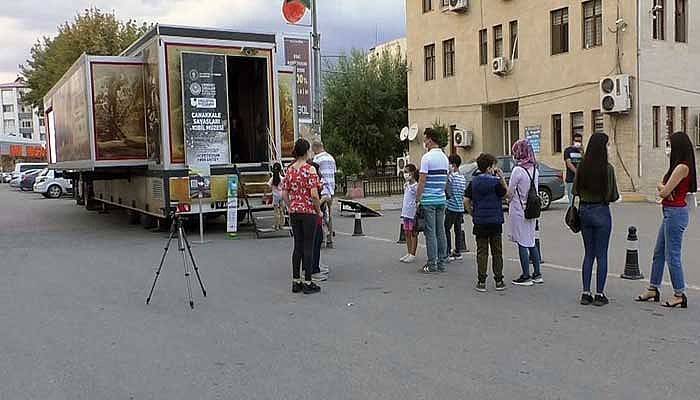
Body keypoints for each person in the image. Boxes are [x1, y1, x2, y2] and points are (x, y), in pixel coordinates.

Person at [636, 132, 697, 309]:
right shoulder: (676, 166)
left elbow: (663, 191)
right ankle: (653, 288)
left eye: (670, 145)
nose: (668, 149)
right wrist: (663, 187)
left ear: (677, 147)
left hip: (676, 213)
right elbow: (662, 186)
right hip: (670, 212)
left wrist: (663, 188)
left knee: (672, 256)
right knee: (659, 252)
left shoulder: (682, 168)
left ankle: (679, 293)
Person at [572, 132, 619, 306]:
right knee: (602, 255)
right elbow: (612, 195)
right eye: (607, 145)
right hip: (601, 211)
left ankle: (585, 292)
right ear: (603, 148)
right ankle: (599, 294)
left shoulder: (582, 167)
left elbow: (574, 191)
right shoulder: (608, 169)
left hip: (584, 211)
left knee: (588, 254)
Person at [281, 139, 323, 294]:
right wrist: (318, 210)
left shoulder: (290, 169)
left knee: (297, 246)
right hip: (308, 213)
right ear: (306, 152)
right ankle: (308, 282)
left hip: (295, 212)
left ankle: (295, 281)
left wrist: (290, 206)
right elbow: (314, 194)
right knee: (308, 246)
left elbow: (284, 192)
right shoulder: (310, 169)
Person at [465, 153, 508, 292]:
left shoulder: (474, 182)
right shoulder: (495, 182)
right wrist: (502, 178)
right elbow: (506, 194)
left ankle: (481, 281)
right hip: (495, 221)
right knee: (497, 252)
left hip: (480, 221)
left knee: (482, 252)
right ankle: (499, 280)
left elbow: (466, 200)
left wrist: (472, 213)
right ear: (489, 167)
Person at [508, 139, 542, 286]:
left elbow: (509, 192)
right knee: (531, 240)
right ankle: (537, 273)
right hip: (532, 209)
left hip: (519, 209)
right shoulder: (535, 169)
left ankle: (526, 275)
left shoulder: (517, 171)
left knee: (522, 242)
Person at [416, 127, 450, 273]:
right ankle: (442, 262)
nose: (424, 142)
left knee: (430, 233)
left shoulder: (427, 157)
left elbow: (422, 180)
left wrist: (418, 198)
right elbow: (446, 178)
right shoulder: (444, 157)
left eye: (425, 139)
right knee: (440, 231)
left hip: (429, 200)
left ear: (430, 139)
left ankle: (432, 264)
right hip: (441, 199)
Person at [312, 140, 337, 249]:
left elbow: (316, 174)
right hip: (331, 190)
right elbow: (333, 173)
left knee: (320, 213)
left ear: (316, 148)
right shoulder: (331, 158)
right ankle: (330, 239)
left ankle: (321, 238)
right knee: (329, 214)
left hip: (321, 190)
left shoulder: (317, 159)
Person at [445, 154, 468, 261]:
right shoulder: (462, 177)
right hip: (460, 207)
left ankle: (448, 251)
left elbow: (448, 189)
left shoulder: (452, 177)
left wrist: (448, 174)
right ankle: (458, 251)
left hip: (451, 207)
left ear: (453, 165)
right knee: (458, 229)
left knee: (446, 229)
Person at [308, 161, 327, 282]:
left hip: (307, 215)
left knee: (312, 242)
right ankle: (313, 269)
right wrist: (323, 199)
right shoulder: (313, 183)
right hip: (315, 216)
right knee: (316, 240)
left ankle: (313, 267)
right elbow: (315, 199)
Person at [400, 163, 420, 263]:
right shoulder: (406, 185)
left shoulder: (416, 186)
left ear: (412, 173)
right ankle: (408, 252)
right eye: (404, 172)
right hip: (406, 213)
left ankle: (413, 253)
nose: (405, 174)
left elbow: (418, 198)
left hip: (412, 213)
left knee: (413, 233)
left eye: (406, 172)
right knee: (406, 233)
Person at [564, 133, 584, 208]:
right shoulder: (568, 150)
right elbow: (569, 164)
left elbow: (584, 163)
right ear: (573, 141)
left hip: (580, 180)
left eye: (580, 141)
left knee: (582, 199)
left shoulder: (581, 151)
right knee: (571, 200)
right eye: (576, 141)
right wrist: (577, 172)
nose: (578, 143)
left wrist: (582, 152)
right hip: (571, 179)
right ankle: (571, 216)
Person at [268, 162, 285, 230]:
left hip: (275, 195)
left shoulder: (272, 178)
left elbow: (268, 185)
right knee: (281, 210)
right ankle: (281, 225)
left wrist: (266, 194)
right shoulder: (282, 178)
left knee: (276, 211)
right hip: (281, 194)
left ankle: (276, 225)